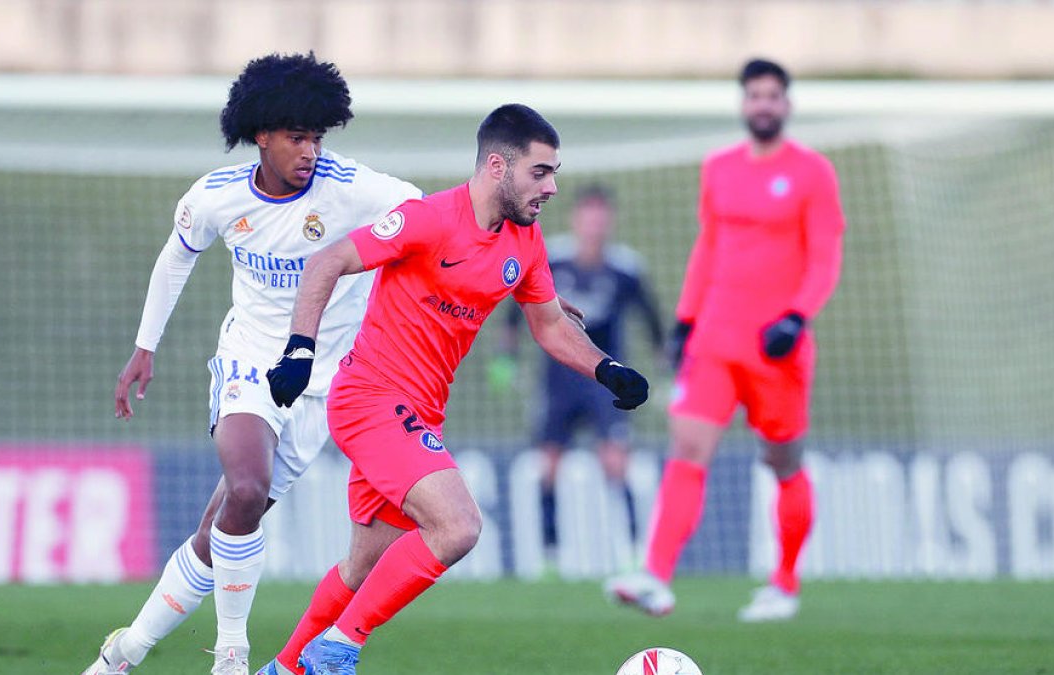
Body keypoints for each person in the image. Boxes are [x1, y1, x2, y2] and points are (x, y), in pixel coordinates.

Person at [254, 104, 650, 675]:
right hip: (371, 399)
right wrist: (300, 348)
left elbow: (550, 323)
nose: (553, 187)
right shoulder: (428, 220)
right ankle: (337, 650)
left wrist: (607, 369)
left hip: (418, 413)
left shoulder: (526, 241)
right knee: (458, 526)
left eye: (555, 172)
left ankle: (284, 668)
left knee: (362, 570)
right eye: (540, 172)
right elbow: (328, 260)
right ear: (497, 165)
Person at [83, 52, 423, 675]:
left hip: (325, 388)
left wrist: (523, 280)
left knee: (222, 528)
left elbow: (435, 223)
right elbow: (175, 258)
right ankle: (232, 655)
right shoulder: (216, 198)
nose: (310, 150)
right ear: (260, 135)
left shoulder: (353, 189)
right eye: (297, 137)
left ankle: (123, 653)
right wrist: (144, 346)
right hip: (250, 362)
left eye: (317, 137)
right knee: (246, 487)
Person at [605, 58, 845, 622]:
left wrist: (797, 317)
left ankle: (784, 583)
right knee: (687, 450)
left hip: (777, 346)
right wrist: (685, 323)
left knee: (783, 460)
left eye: (772, 96)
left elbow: (826, 256)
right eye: (754, 95)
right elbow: (708, 248)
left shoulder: (812, 173)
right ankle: (655, 577)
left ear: (786, 105)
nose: (763, 104)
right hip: (715, 338)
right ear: (744, 104)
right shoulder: (718, 168)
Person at [493, 184, 663, 560]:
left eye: (601, 217)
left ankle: (635, 551)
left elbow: (651, 319)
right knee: (549, 465)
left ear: (610, 221)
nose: (595, 225)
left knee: (616, 462)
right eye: (589, 217)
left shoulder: (625, 268)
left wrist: (665, 364)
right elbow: (515, 302)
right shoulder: (553, 258)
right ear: (577, 220)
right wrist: (506, 355)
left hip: (607, 377)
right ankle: (550, 553)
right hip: (559, 379)